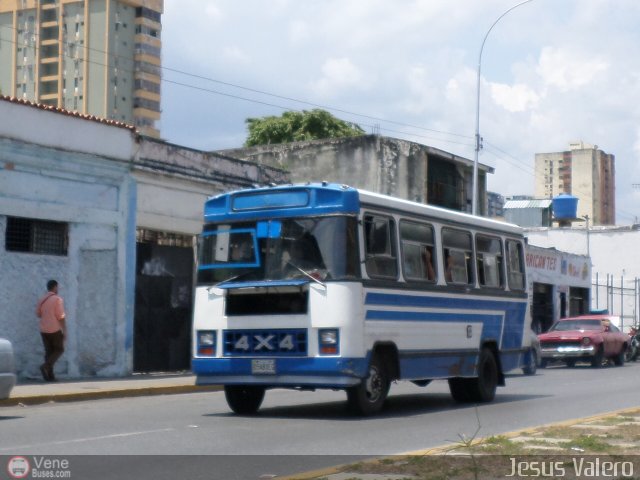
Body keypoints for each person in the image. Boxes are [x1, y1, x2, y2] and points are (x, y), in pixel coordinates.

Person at [36, 279, 66, 382]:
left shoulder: (42, 299)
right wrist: (65, 330)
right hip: (54, 329)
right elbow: (61, 316)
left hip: (43, 329)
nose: (58, 289)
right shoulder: (57, 299)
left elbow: (38, 314)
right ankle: (45, 366)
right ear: (54, 287)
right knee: (59, 349)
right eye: (57, 287)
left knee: (49, 352)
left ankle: (50, 376)